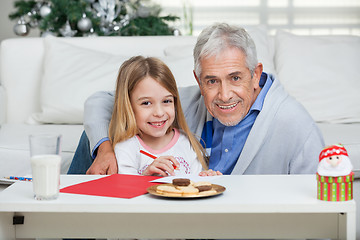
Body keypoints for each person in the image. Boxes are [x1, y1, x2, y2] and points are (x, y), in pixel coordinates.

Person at [68, 22, 325, 176]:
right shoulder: (180, 103)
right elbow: (99, 101)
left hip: (243, 225)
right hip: (187, 217)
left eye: (235, 78)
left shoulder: (294, 124)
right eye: (212, 81)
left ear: (255, 74)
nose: (224, 95)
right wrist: (104, 149)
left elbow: (321, 208)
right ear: (198, 79)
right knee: (92, 137)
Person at [107, 55, 219, 176]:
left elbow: (196, 184)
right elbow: (126, 190)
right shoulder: (126, 148)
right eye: (146, 103)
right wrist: (145, 177)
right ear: (128, 105)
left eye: (166, 101)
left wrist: (207, 178)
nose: (159, 113)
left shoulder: (186, 142)